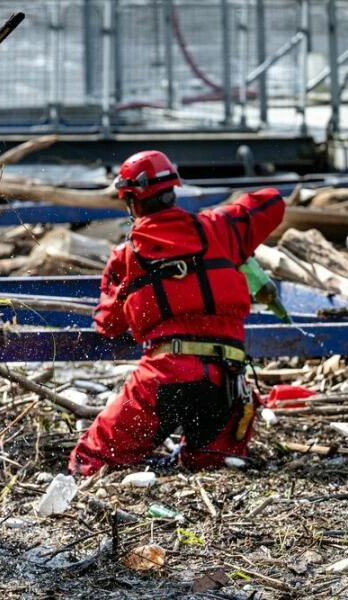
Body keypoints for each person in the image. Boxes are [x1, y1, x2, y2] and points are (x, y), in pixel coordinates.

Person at [69, 150, 285, 476]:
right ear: (174, 189)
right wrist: (230, 230)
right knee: (211, 466)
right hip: (226, 382)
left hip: (164, 376)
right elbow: (272, 202)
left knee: (90, 463)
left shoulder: (127, 257)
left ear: (130, 201)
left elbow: (108, 324)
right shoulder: (222, 227)